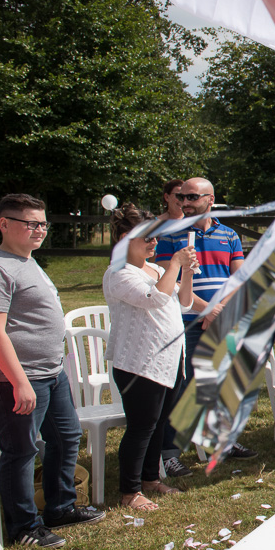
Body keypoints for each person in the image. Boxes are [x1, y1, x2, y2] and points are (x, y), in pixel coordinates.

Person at [0, 193, 104, 548]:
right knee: (22, 451)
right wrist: (19, 382)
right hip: (20, 379)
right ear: (5, 224)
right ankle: (24, 527)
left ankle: (60, 507)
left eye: (43, 223)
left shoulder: (28, 261)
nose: (40, 230)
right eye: (31, 223)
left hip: (51, 373)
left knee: (66, 436)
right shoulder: (0, 266)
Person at [154, 176, 254, 476]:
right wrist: (208, 310)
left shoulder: (229, 236)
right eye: (181, 197)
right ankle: (169, 452)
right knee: (184, 388)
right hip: (187, 322)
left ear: (210, 199)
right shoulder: (171, 235)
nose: (185, 203)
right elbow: (167, 282)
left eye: (192, 197)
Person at [103, 204, 196, 511]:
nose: (155, 244)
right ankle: (129, 491)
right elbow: (154, 298)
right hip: (138, 362)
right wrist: (173, 265)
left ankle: (150, 480)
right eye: (149, 239)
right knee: (141, 426)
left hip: (168, 361)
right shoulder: (118, 273)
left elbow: (183, 302)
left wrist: (186, 271)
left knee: (156, 425)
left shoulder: (154, 269)